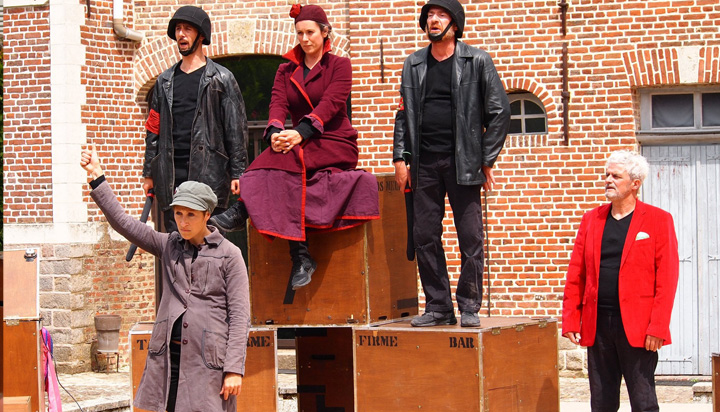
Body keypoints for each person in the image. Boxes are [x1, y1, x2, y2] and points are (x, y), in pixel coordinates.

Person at [82, 145, 250, 412]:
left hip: (210, 365)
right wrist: (97, 179)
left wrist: (234, 369)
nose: (183, 222)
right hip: (171, 364)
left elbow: (240, 316)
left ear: (206, 216)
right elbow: (126, 225)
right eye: (178, 214)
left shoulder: (230, 256)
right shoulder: (168, 245)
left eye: (190, 215)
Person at [211, 4, 379, 290]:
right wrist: (276, 131)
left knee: (281, 161)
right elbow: (277, 103)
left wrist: (300, 132)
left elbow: (330, 105)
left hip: (334, 140)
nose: (305, 38)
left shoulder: (340, 65)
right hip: (297, 143)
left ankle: (245, 209)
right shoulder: (285, 70)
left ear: (325, 33)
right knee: (283, 161)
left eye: (311, 32)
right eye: (300, 33)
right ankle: (301, 256)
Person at [562, 150, 680, 412]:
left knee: (644, 408)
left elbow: (667, 279)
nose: (608, 181)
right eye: (607, 175)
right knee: (602, 408)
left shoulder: (657, 221)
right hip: (599, 327)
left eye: (615, 176)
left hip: (640, 330)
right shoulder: (592, 220)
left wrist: (658, 325)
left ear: (635, 184)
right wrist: (571, 317)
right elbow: (576, 273)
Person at [393, 0, 511, 327]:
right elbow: (403, 116)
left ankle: (469, 305)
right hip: (424, 164)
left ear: (454, 24)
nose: (433, 20)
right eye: (429, 15)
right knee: (424, 235)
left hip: (464, 164)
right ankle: (439, 306)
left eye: (440, 15)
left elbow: (501, 113)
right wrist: (400, 158)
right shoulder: (413, 64)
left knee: (469, 237)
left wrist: (485, 158)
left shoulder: (477, 61)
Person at [143, 5, 248, 233]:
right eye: (178, 29)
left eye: (187, 29)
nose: (181, 34)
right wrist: (149, 173)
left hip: (209, 172)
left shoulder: (222, 78)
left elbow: (236, 130)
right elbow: (153, 129)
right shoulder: (164, 81)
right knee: (175, 242)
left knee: (208, 243)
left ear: (200, 35)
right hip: (172, 174)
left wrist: (239, 172)